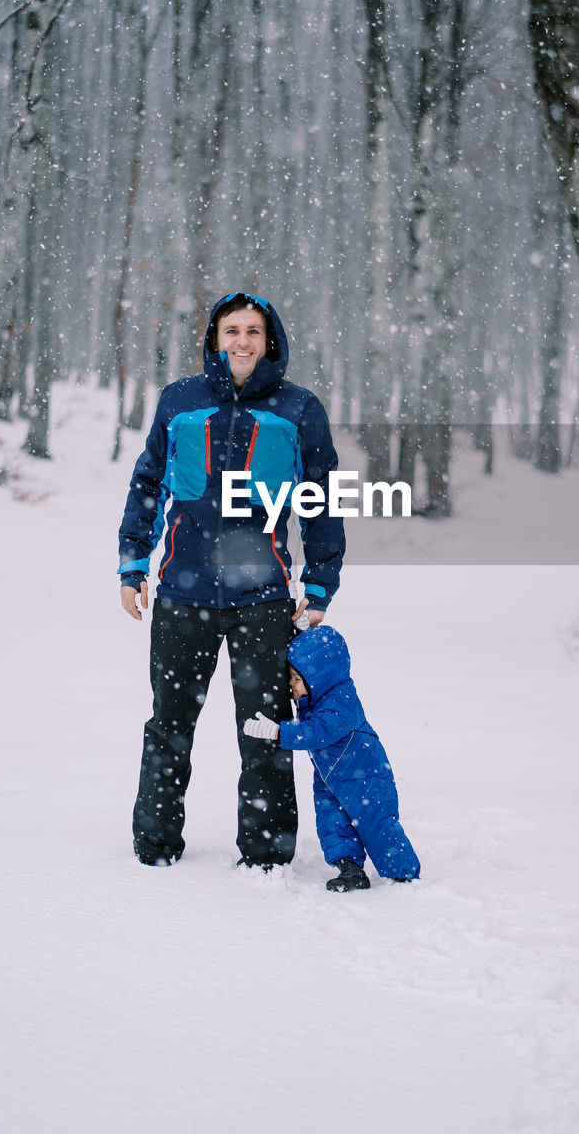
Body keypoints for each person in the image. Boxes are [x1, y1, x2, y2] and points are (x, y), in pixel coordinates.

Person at [118, 292, 345, 870]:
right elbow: (148, 482)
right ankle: (155, 847)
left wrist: (319, 587)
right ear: (215, 338)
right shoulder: (180, 401)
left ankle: (266, 857)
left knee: (265, 730)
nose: (242, 341)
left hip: (264, 600)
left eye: (253, 331)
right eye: (231, 330)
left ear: (270, 340)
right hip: (180, 593)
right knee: (169, 725)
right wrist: (132, 562)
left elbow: (321, 504)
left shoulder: (299, 409)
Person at [244, 625, 421, 891]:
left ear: (318, 678)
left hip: (364, 774)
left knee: (377, 824)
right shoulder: (317, 698)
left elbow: (318, 732)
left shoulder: (341, 700)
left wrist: (279, 731)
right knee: (332, 822)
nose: (290, 684)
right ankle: (350, 869)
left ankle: (403, 875)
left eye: (296, 678)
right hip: (331, 775)